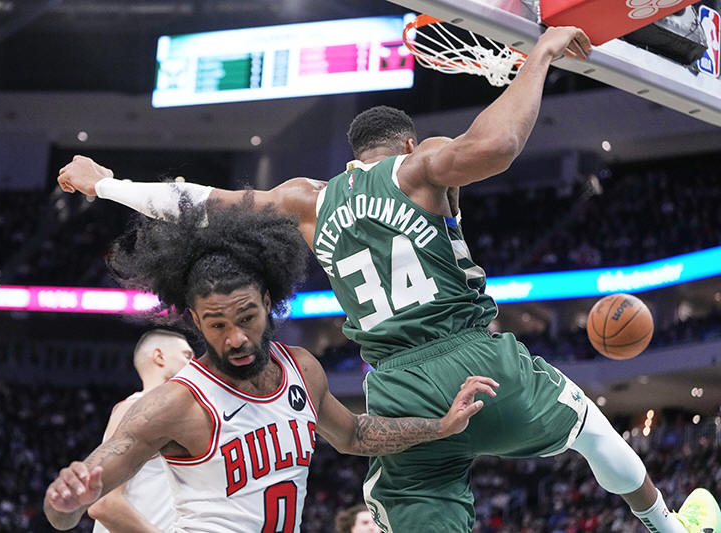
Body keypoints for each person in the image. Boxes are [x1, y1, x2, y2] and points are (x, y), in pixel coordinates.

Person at [57, 26, 720, 533]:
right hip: (475, 358)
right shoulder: (418, 165)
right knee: (594, 433)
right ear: (406, 144)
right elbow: (496, 146)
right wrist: (540, 55)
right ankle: (670, 527)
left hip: (396, 386)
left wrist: (107, 183)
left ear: (353, 157)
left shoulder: (308, 198)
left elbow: (205, 204)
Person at [43, 200, 498, 532]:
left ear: (268, 302)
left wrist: (440, 427)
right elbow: (74, 508)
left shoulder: (302, 368)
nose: (236, 337)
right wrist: (63, 501)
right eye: (217, 324)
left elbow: (355, 434)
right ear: (196, 321)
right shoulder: (175, 404)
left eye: (246, 318)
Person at [89, 329, 194, 533]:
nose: (194, 365)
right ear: (159, 356)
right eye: (187, 356)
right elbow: (104, 502)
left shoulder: (177, 416)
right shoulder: (135, 409)